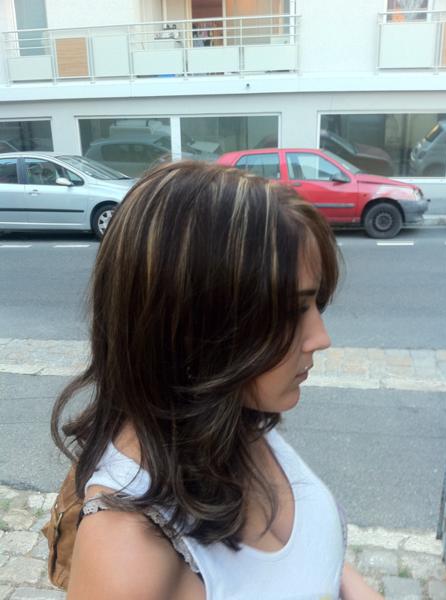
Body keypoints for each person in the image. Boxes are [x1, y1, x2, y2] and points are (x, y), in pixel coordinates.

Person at [51, 161, 383, 599]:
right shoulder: (127, 557)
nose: (321, 338)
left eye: (315, 304)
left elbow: (311, 560)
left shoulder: (232, 418)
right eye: (291, 311)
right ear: (188, 324)